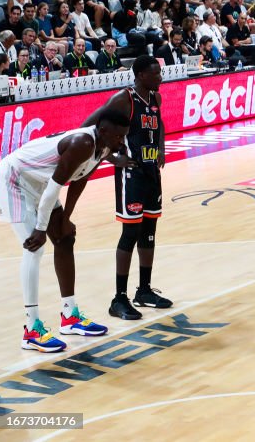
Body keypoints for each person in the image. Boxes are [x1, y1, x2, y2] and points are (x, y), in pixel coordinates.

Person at [0, 109, 131, 351]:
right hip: (15, 179)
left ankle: (70, 316)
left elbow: (81, 180)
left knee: (65, 238)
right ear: (103, 131)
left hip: (39, 182)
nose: (122, 142)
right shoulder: (82, 143)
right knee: (34, 248)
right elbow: (52, 192)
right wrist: (40, 228)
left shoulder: (105, 145)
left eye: (124, 137)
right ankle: (31, 329)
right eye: (119, 137)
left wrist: (65, 219)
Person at [83, 56, 172, 321]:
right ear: (141, 75)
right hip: (130, 174)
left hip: (151, 173)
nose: (161, 78)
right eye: (157, 74)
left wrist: (162, 149)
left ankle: (144, 290)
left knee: (149, 231)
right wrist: (112, 158)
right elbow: (91, 125)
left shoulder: (155, 99)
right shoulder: (124, 99)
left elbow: (161, 124)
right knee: (130, 232)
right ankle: (118, 298)